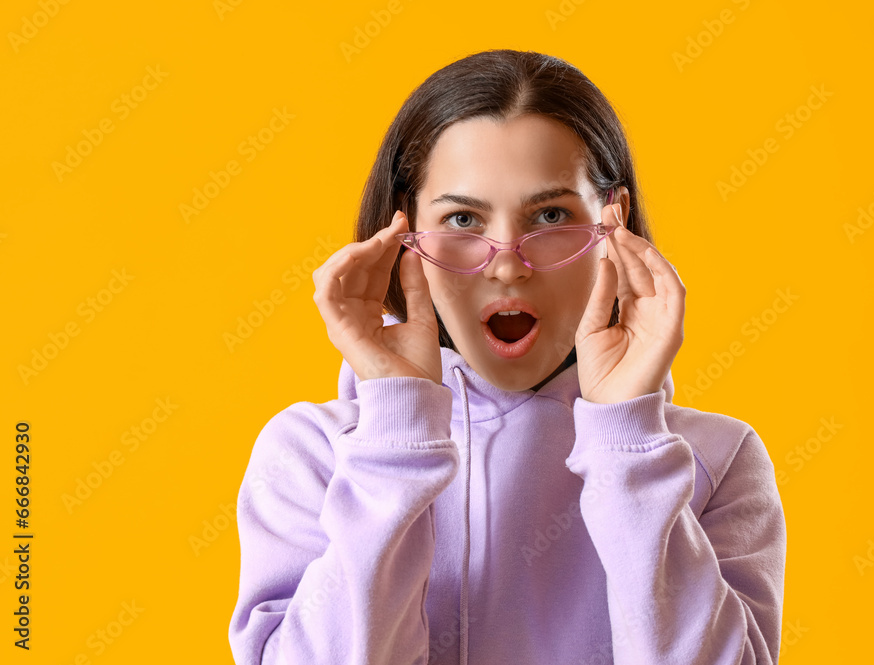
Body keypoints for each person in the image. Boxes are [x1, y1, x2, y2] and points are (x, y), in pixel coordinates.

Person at [228, 49, 786, 665]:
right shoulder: (313, 453)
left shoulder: (717, 461)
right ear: (404, 233)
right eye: (463, 218)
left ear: (612, 222)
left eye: (549, 216)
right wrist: (396, 434)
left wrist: (627, 441)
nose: (505, 264)